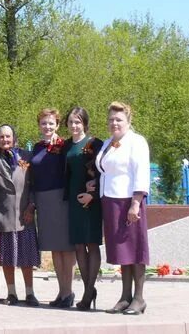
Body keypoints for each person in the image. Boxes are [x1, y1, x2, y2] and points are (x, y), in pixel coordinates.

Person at [96, 101, 150, 316]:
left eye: (119, 119)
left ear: (128, 121)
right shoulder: (109, 142)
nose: (114, 123)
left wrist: (136, 203)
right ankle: (124, 296)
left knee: (135, 250)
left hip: (128, 201)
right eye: (111, 119)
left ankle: (139, 298)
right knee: (122, 251)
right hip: (110, 201)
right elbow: (105, 169)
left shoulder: (136, 142)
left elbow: (142, 172)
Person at [0, 124, 40, 307]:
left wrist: (32, 206)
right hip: (4, 216)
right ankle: (11, 292)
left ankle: (30, 293)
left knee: (27, 257)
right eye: (1, 137)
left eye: (8, 136)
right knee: (8, 258)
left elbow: (34, 185)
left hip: (25, 216)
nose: (5, 140)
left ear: (14, 138)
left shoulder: (26, 157)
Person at [29, 108, 76, 308]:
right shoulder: (37, 147)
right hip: (43, 200)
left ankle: (69, 291)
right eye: (43, 123)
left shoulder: (64, 146)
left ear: (57, 125)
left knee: (66, 247)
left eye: (51, 123)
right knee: (55, 248)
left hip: (61, 199)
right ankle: (61, 292)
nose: (47, 127)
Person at [63, 107, 104, 311]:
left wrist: (93, 193)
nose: (74, 125)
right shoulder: (67, 145)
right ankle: (89, 290)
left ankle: (88, 292)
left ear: (85, 123)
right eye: (71, 122)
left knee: (92, 243)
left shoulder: (95, 143)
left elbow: (102, 171)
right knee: (79, 245)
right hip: (73, 199)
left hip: (91, 201)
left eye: (78, 122)